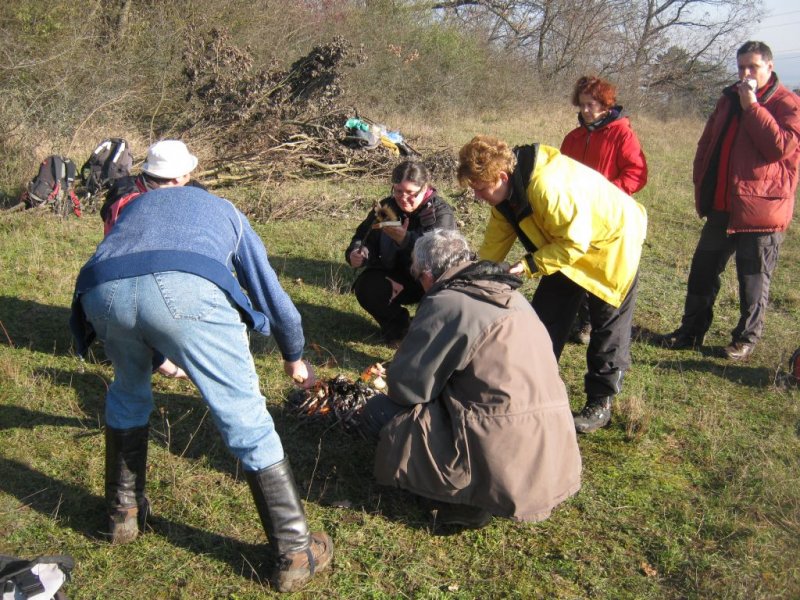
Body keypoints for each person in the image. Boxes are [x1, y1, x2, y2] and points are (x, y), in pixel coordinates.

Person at [69, 142, 332, 593]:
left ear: (146, 179)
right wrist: (293, 353)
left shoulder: (131, 208)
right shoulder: (222, 208)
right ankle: (295, 551)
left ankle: (122, 515)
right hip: (185, 291)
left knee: (128, 393)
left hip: (99, 290)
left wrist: (156, 354)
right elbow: (269, 292)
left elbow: (130, 283)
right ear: (188, 176)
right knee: (245, 417)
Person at [358, 229, 581, 528]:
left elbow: (406, 389)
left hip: (502, 457)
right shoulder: (512, 296)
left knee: (378, 412)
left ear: (427, 275)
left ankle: (462, 502)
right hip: (553, 457)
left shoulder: (446, 302)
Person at [457, 135, 647, 433]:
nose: (478, 196)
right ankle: (533, 387)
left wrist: (531, 265)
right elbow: (494, 244)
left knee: (607, 324)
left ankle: (600, 404)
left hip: (612, 243)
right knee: (545, 318)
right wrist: (477, 275)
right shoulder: (507, 195)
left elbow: (575, 243)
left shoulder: (547, 187)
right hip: (562, 244)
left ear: (502, 177)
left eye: (481, 189)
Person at [659, 41, 800, 360]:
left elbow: (778, 147)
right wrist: (700, 175)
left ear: (770, 66)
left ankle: (745, 340)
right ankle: (690, 332)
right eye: (741, 68)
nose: (746, 73)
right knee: (702, 272)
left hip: (762, 208)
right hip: (723, 205)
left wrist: (752, 106)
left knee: (753, 280)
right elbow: (708, 141)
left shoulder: (788, 104)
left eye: (753, 67)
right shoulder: (727, 99)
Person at [97, 140, 211, 381]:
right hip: (132, 285)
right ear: (177, 178)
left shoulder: (123, 191)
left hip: (105, 285)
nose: (190, 178)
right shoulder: (136, 203)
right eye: (186, 173)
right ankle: (159, 356)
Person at [561, 75, 649, 344]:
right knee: (577, 260)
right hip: (578, 213)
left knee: (601, 265)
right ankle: (578, 318)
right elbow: (561, 171)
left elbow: (637, 172)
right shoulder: (573, 137)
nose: (586, 110)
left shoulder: (622, 134)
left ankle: (592, 322)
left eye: (592, 104)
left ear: (606, 105)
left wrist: (609, 194)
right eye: (583, 104)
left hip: (609, 215)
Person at [345, 160, 456, 346]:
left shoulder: (440, 212)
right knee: (366, 286)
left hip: (431, 281)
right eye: (398, 191)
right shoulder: (387, 208)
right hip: (397, 274)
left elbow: (438, 255)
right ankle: (399, 329)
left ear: (425, 188)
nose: (403, 198)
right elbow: (365, 237)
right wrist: (358, 253)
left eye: (411, 193)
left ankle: (430, 336)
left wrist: (405, 239)